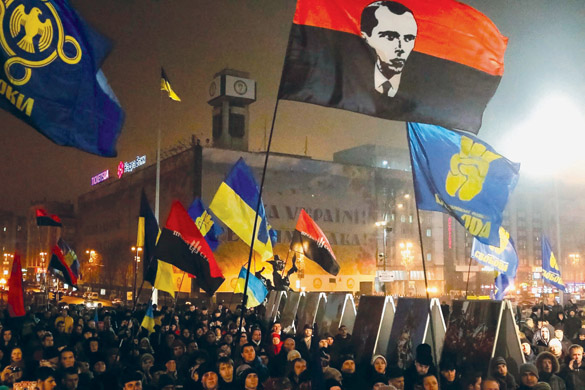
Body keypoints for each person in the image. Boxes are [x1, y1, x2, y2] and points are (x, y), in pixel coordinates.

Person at [360, 0, 417, 97]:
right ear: (365, 37)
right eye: (390, 37)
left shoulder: (430, 85)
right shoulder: (350, 76)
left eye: (409, 38)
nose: (401, 48)